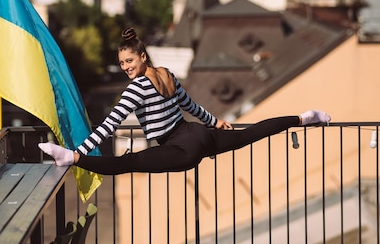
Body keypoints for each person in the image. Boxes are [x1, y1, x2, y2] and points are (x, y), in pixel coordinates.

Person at [39, 27, 331, 174]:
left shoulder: (137, 88)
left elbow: (109, 126)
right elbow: (189, 106)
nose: (125, 67)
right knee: (252, 133)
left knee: (126, 164)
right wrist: (214, 121)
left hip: (183, 148)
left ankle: (70, 158)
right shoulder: (167, 73)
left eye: (129, 60)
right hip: (198, 132)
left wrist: (80, 149)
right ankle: (306, 117)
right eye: (121, 63)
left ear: (142, 56)